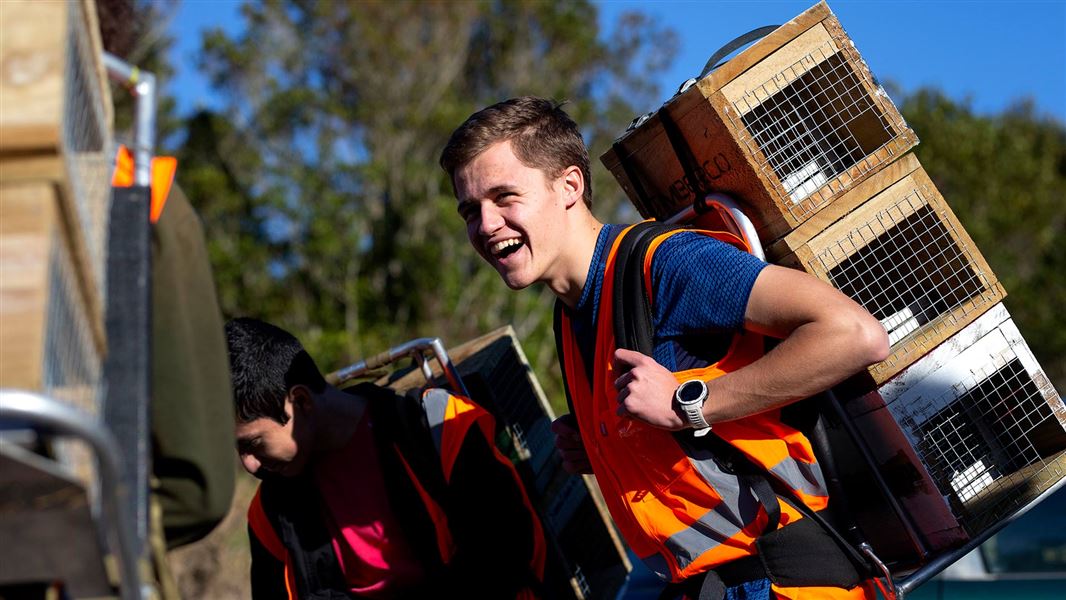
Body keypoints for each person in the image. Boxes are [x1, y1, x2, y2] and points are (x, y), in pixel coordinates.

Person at [439, 97, 891, 600]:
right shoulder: (569, 315)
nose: (486, 224)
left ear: (569, 186)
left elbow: (854, 333)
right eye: (470, 211)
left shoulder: (669, 264)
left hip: (783, 584)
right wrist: (606, 445)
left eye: (504, 196)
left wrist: (687, 404)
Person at [224, 317, 546, 599]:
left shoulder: (438, 426)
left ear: (301, 402)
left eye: (253, 443)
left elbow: (509, 552)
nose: (249, 465)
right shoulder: (270, 514)